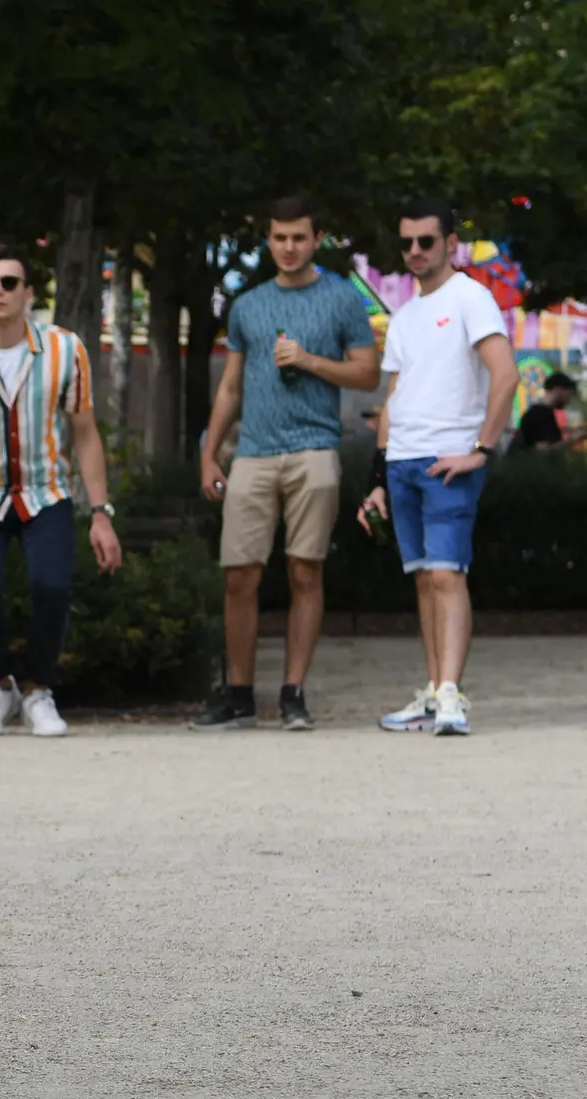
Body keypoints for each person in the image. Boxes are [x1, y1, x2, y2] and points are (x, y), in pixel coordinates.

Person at [194, 196, 380, 732]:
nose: (289, 247)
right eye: (280, 238)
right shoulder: (247, 305)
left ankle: (294, 692)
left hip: (314, 448)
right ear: (268, 240)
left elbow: (367, 374)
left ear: (316, 238)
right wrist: (210, 455)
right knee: (239, 575)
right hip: (252, 450)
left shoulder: (342, 299)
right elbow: (230, 387)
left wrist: (309, 361)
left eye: (299, 237)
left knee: (305, 569)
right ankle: (238, 693)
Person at [0, 244, 122, 738]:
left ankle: (38, 689)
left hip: (45, 490)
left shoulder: (65, 350)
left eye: (9, 283)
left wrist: (101, 513)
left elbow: (84, 432)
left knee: (53, 586)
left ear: (28, 292)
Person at [360, 198, 519, 737]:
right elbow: (393, 400)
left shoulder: (472, 297)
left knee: (449, 575)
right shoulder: (404, 316)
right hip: (403, 460)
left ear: (450, 243)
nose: (414, 251)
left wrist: (481, 448)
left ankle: (452, 695)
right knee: (425, 579)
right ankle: (432, 694)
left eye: (426, 241)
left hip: (449, 460)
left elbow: (506, 375)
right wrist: (376, 482)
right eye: (406, 242)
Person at [515, 370, 577, 450]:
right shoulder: (540, 414)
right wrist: (573, 439)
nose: (568, 400)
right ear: (559, 390)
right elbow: (544, 450)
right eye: (569, 395)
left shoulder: (540, 412)